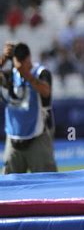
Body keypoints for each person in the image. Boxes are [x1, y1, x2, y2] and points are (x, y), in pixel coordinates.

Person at [0, 42, 57, 174]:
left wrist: (27, 75)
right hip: (13, 137)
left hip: (38, 137)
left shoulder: (41, 72)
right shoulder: (11, 75)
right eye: (16, 58)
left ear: (29, 58)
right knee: (9, 186)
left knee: (46, 183)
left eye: (22, 59)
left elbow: (46, 91)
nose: (20, 63)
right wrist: (3, 59)